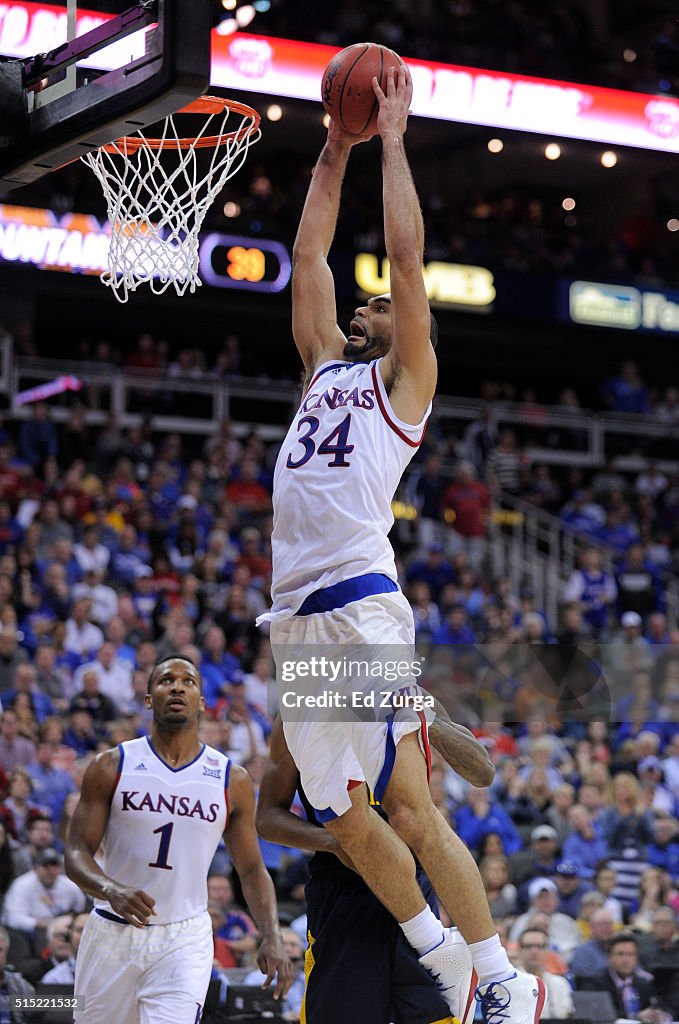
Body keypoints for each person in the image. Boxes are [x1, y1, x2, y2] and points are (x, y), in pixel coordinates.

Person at [257, 64, 542, 1024]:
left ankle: (496, 975)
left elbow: (407, 261)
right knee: (343, 815)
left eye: (381, 304)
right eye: (366, 302)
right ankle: (445, 958)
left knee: (411, 806)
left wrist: (395, 140)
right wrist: (333, 150)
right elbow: (309, 255)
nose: (370, 303)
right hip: (296, 613)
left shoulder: (404, 380)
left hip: (356, 596)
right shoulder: (321, 366)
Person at [65, 655, 293, 1024]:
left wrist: (272, 935)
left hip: (183, 938)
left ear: (202, 701)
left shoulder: (229, 778)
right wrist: (110, 889)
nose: (176, 686)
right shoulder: (111, 765)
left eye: (188, 681)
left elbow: (251, 868)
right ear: (149, 698)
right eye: (166, 680)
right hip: (112, 932)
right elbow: (76, 854)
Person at [257, 712, 495, 1024]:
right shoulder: (298, 714)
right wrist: (332, 842)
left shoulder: (406, 697)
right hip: (343, 892)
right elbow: (267, 818)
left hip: (414, 895)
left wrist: (427, 717)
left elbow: (483, 772)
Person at [580, 932, 672, 1022]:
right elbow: (600, 1013)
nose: (626, 960)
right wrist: (635, 1016)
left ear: (636, 959)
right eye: (620, 954)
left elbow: (659, 1006)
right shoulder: (595, 983)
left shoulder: (643, 984)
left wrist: (659, 1014)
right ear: (610, 958)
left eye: (630, 954)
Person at [515, 928, 574, 1019]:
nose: (534, 951)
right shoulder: (511, 983)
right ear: (519, 950)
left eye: (540, 946)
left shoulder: (559, 983)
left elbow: (566, 1017)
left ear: (547, 951)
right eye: (528, 946)